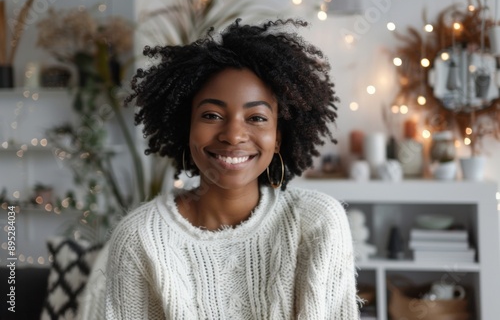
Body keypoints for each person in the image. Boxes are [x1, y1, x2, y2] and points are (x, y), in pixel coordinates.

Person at [105, 18, 360, 319]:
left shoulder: (317, 224)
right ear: (185, 128)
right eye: (212, 115)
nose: (234, 135)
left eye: (256, 118)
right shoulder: (140, 238)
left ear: (278, 138)